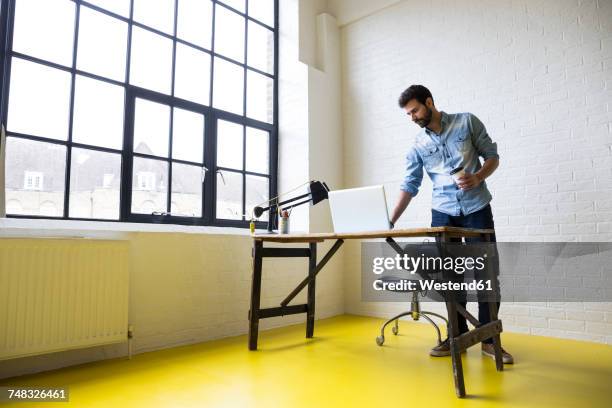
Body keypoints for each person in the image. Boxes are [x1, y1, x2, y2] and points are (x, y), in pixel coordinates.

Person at [389, 84, 513, 364]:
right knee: (451, 279)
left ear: (429, 102)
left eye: (415, 110)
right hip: (442, 213)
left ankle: (489, 339)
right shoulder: (418, 145)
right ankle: (457, 335)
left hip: (477, 208)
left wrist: (479, 177)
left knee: (487, 276)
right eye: (408, 114)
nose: (413, 118)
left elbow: (492, 156)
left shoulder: (466, 121)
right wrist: (390, 219)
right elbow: (410, 184)